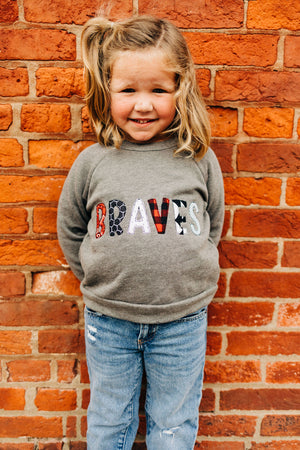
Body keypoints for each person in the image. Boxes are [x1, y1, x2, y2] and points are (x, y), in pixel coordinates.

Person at [57, 15, 224, 450]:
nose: (143, 105)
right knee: (110, 419)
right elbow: (72, 229)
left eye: (158, 90)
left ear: (179, 90)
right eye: (128, 91)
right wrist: (100, 276)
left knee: (174, 421)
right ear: (107, 92)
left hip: (183, 319)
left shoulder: (197, 159)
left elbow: (213, 224)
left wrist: (190, 268)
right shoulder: (93, 162)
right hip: (108, 319)